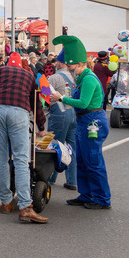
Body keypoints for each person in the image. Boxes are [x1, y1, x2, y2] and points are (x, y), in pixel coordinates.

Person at [0, 53, 49, 223]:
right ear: (21, 65)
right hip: (18, 112)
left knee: (1, 158)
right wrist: (41, 126)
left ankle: (5, 202)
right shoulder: (28, 75)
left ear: (8, 63)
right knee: (21, 159)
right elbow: (35, 102)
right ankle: (25, 206)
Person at [49, 35, 111, 209]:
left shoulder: (89, 79)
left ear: (79, 64)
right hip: (84, 121)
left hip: (93, 122)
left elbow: (83, 103)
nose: (68, 69)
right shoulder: (82, 78)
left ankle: (101, 199)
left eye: (70, 66)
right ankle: (86, 195)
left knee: (93, 162)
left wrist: (61, 98)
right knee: (82, 161)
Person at [46, 51, 78, 191]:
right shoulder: (75, 77)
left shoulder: (55, 77)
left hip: (59, 114)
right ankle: (72, 181)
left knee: (53, 146)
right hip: (74, 113)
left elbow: (45, 94)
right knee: (72, 148)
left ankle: (49, 177)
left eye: (57, 62)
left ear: (61, 63)